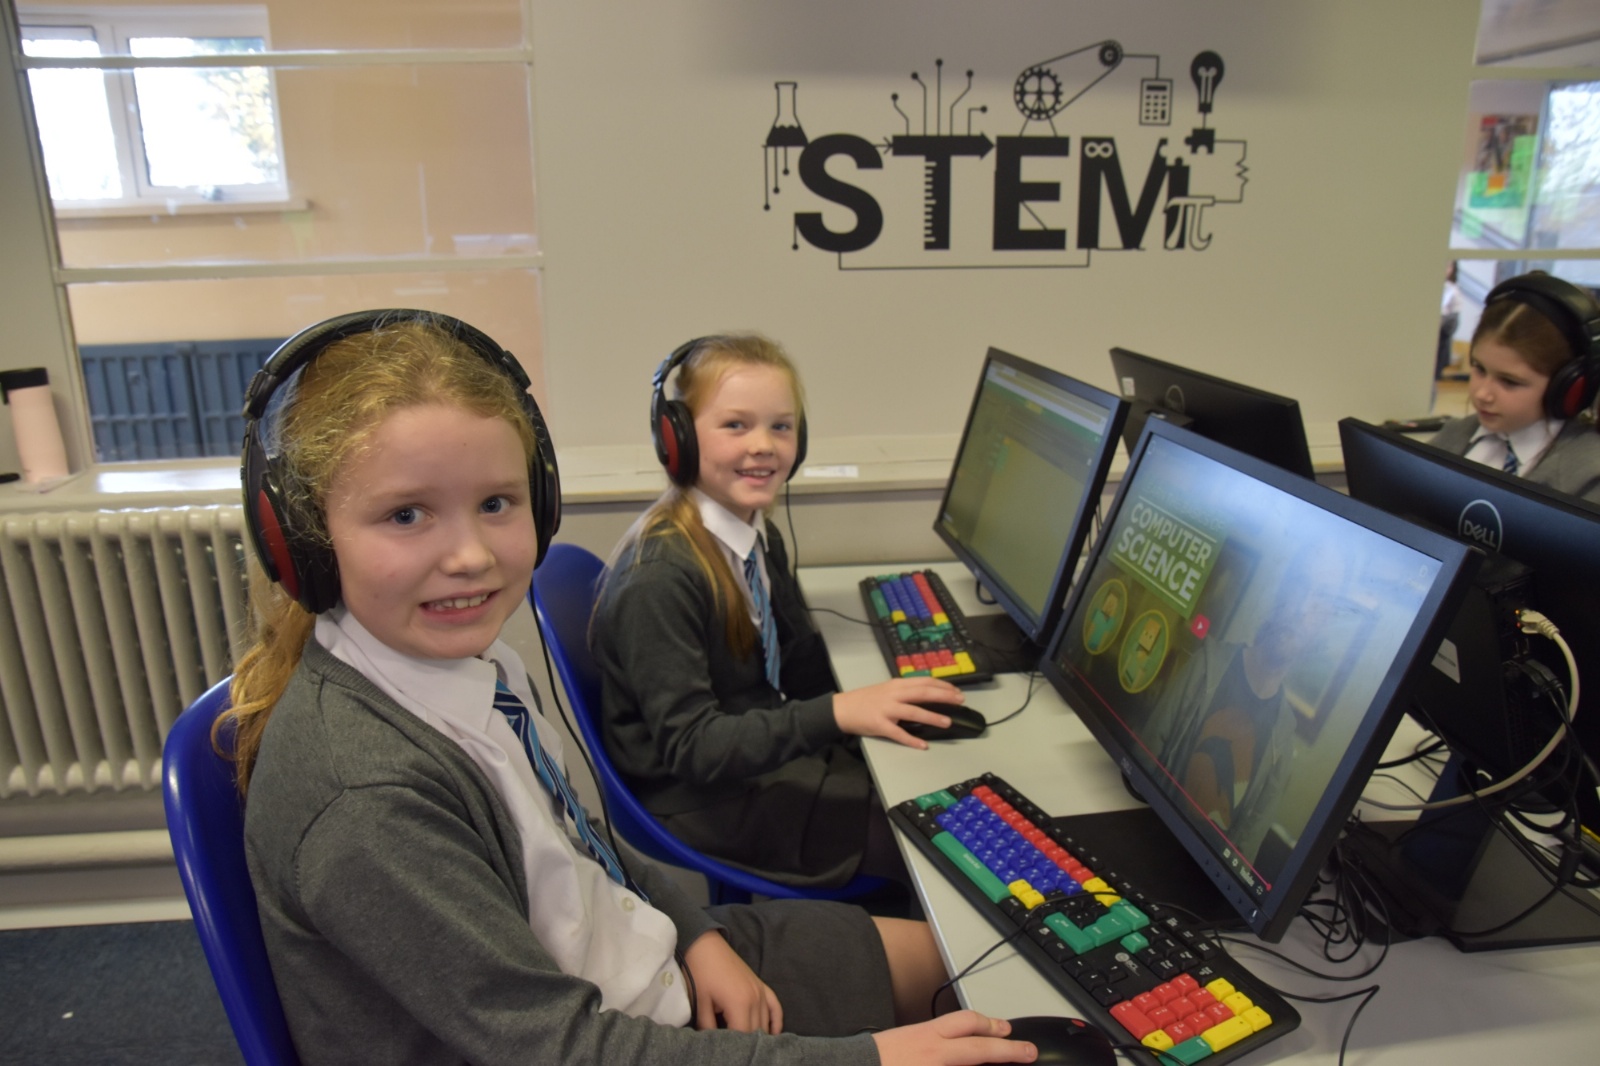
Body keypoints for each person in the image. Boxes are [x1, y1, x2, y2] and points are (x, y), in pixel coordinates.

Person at [221, 311, 1033, 1066]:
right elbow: (560, 1047)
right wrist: (870, 1059)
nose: (470, 556)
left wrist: (696, 934)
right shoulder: (366, 794)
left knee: (993, 965)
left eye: (497, 503)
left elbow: (582, 845)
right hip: (598, 1038)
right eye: (406, 515)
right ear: (301, 540)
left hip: (649, 961)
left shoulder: (468, 672)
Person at [591, 334, 966, 889]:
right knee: (941, 846)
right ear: (677, 438)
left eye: (781, 426)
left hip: (751, 754)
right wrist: (839, 713)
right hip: (701, 796)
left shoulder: (754, 533)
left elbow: (796, 664)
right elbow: (695, 748)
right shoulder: (660, 578)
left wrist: (878, 703)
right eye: (735, 425)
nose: (764, 445)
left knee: (931, 784)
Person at [1430, 270, 1600, 505]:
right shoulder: (1453, 437)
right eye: (1479, 369)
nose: (1482, 394)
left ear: (1569, 387)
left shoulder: (1588, 477)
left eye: (1509, 382)